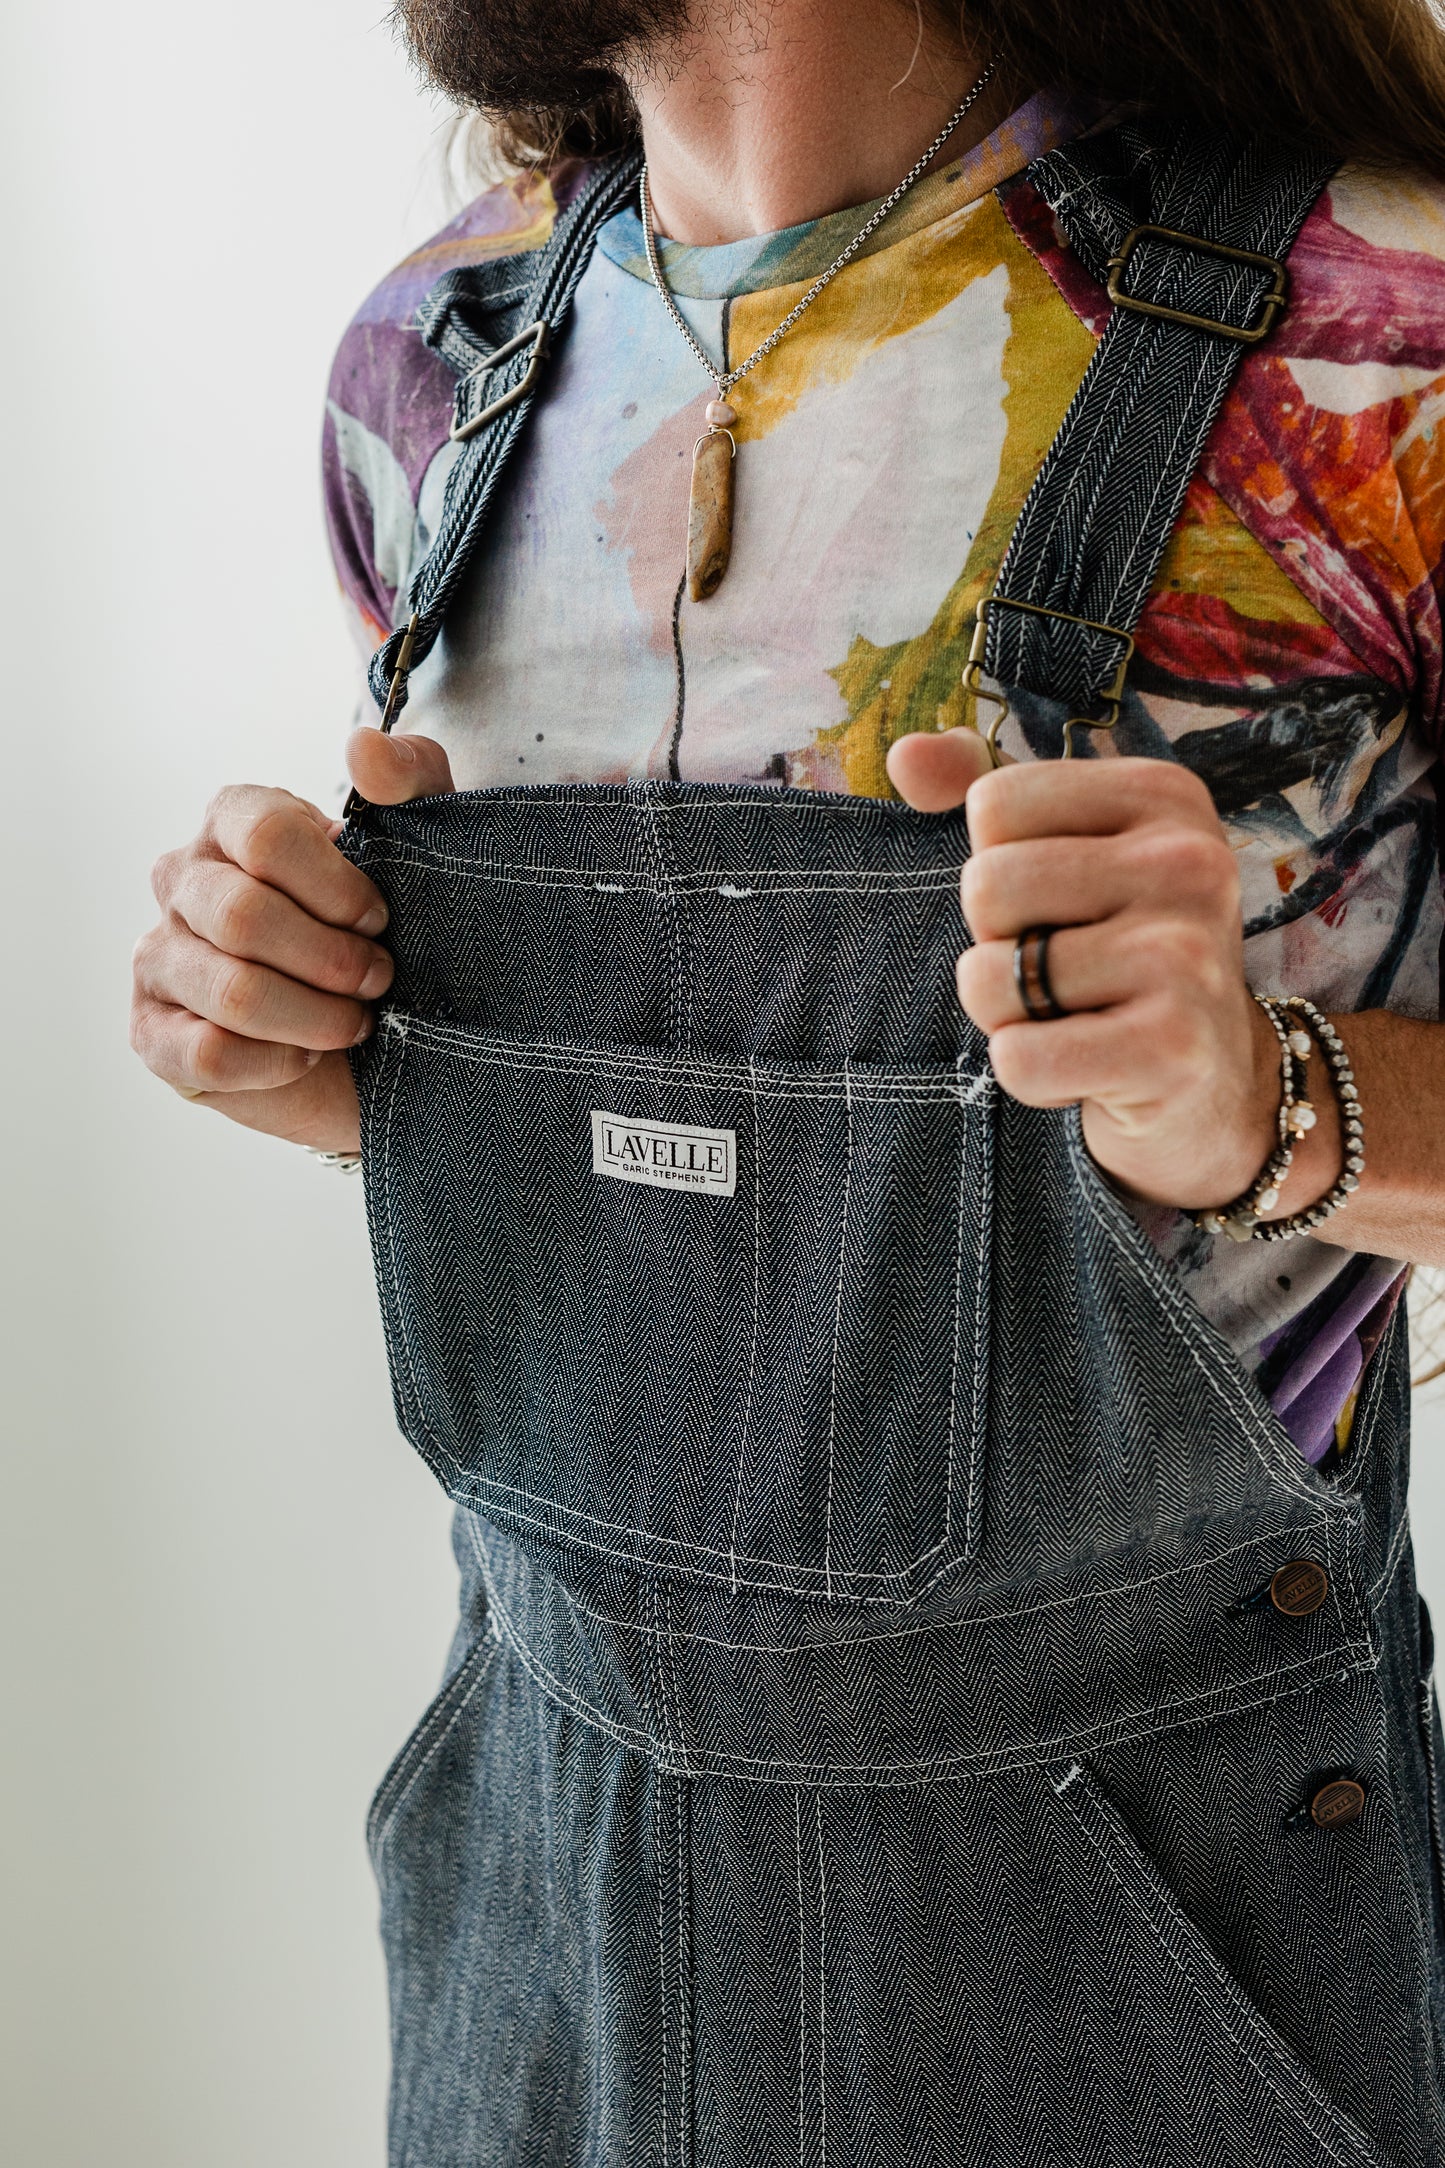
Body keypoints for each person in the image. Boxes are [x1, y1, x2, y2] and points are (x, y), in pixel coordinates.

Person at [131, 1, 1445, 2159]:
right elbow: (706, 1169)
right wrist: (332, 1053)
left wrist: (1270, 1102)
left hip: (1151, 1970)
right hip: (539, 1936)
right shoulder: (435, 368)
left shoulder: (1384, 352)